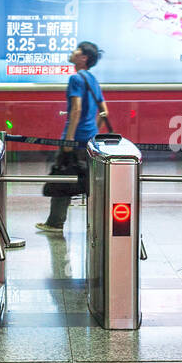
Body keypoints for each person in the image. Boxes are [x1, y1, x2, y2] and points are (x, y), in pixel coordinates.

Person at [37, 41, 111, 234]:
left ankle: (55, 223)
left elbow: (76, 109)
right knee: (89, 180)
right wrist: (93, 131)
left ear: (83, 57)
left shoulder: (76, 79)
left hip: (74, 138)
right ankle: (96, 223)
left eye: (76, 50)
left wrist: (69, 139)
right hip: (88, 140)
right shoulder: (92, 79)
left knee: (63, 178)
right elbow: (104, 111)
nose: (72, 52)